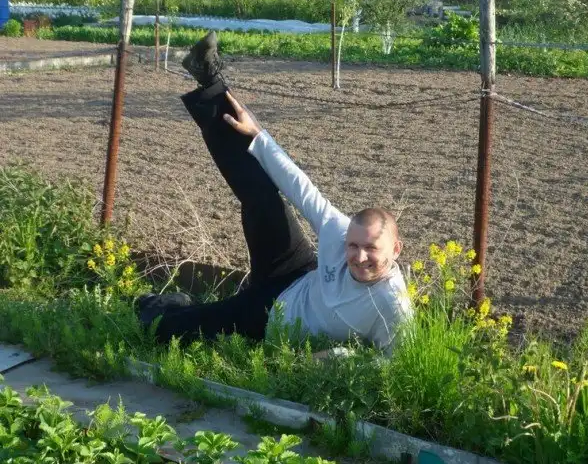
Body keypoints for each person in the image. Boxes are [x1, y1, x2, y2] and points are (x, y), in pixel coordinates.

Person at [137, 32, 413, 356]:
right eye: (354, 246)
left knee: (177, 328)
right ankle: (209, 79)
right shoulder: (341, 232)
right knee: (263, 197)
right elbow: (300, 187)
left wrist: (341, 357)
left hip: (270, 318)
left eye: (371, 248)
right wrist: (258, 134)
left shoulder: (392, 306)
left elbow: (394, 365)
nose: (359, 256)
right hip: (295, 270)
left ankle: (158, 307)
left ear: (395, 249)